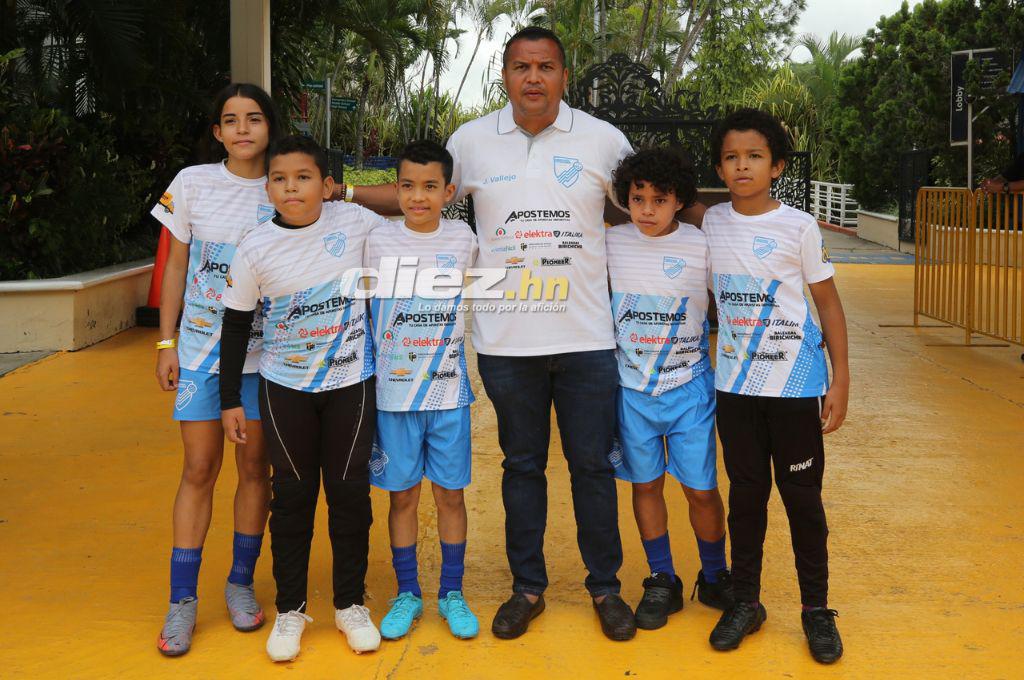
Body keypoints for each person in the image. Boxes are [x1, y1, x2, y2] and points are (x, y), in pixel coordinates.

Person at [218, 135, 386, 662]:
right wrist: (229, 400)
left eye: (305, 177)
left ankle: (349, 605)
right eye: (280, 178)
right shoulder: (254, 246)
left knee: (349, 497)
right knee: (291, 500)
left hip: (350, 385)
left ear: (328, 186)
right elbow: (236, 324)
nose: (292, 188)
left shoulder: (356, 224)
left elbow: (413, 210)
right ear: (267, 187)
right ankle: (291, 609)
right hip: (283, 388)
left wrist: (356, 194)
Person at [702, 108, 849, 665]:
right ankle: (746, 601)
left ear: (777, 166)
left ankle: (816, 610)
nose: (742, 166)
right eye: (732, 157)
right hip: (735, 389)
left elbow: (828, 306)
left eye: (755, 156)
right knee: (746, 496)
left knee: (802, 501)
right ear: (720, 166)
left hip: (795, 387)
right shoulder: (711, 223)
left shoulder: (800, 227)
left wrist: (841, 380)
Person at [152, 82, 279, 657]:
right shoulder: (193, 183)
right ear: (217, 132)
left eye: (254, 118)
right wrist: (165, 341)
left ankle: (239, 584)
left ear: (269, 126)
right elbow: (175, 264)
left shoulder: (287, 184)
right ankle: (182, 602)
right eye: (232, 120)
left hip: (268, 356)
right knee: (199, 468)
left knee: (255, 471)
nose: (244, 129)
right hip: (202, 354)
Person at [605, 148, 734, 632]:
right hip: (632, 393)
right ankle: (662, 578)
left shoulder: (702, 246)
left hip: (690, 391)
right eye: (637, 199)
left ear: (679, 200)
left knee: (701, 490)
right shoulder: (612, 243)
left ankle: (716, 574)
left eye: (659, 200)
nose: (647, 210)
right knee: (646, 486)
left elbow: (734, 300)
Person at [364, 140, 480, 641]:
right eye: (407, 186)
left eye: (430, 187)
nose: (417, 197)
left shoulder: (463, 238)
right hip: (393, 398)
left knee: (450, 497)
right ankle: (407, 593)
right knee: (403, 498)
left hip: (448, 396)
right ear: (396, 189)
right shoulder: (376, 239)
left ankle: (451, 592)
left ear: (448, 191)